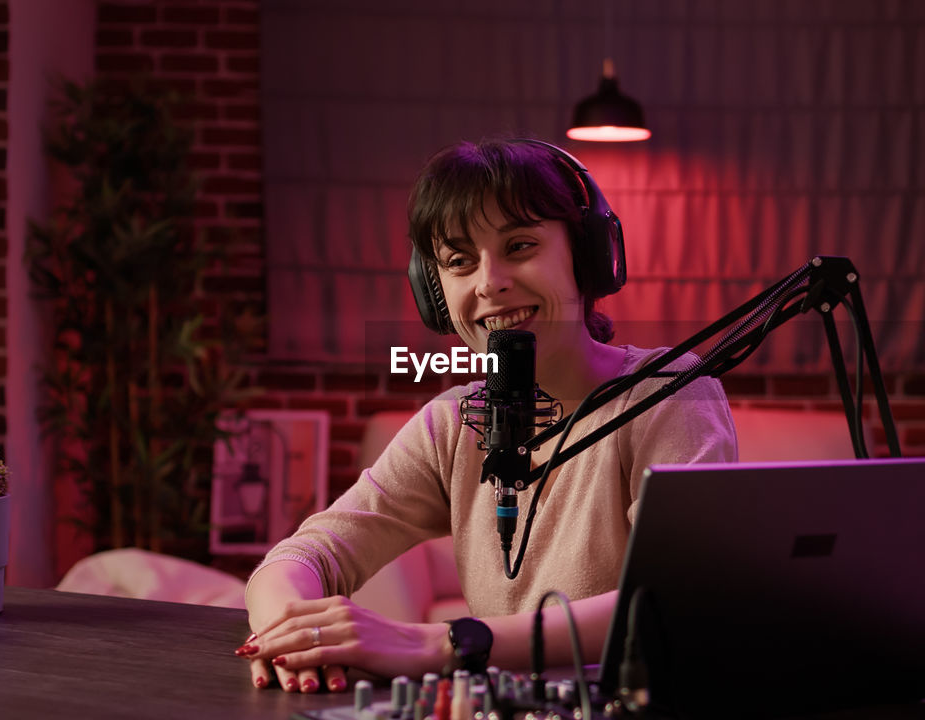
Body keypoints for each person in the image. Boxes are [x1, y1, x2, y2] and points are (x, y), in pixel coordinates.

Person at [236, 138, 736, 693]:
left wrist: (442, 643)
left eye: (519, 245)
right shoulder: (452, 424)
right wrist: (292, 639)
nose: (488, 283)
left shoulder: (670, 393)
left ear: (588, 256)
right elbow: (308, 554)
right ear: (435, 291)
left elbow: (674, 595)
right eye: (457, 261)